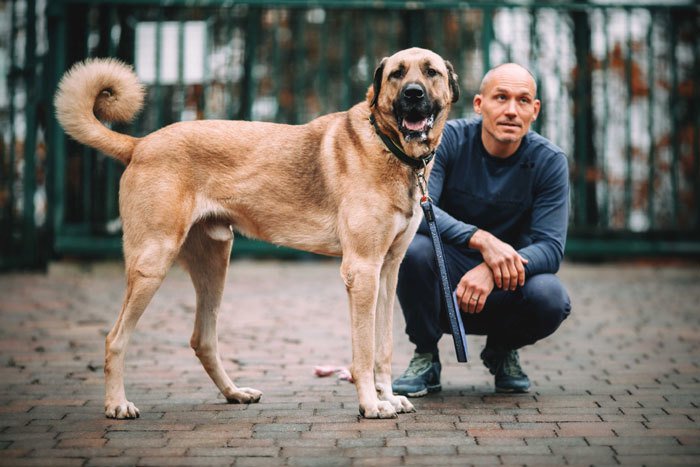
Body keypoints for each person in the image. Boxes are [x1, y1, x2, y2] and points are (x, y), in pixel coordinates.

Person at [392, 63, 572, 396]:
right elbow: (422, 206)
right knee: (412, 251)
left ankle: (502, 349)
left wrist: (490, 269)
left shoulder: (549, 161)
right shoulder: (446, 141)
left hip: (507, 283)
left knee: (551, 296)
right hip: (445, 283)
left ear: (535, 110)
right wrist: (481, 240)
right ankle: (426, 355)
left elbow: (550, 248)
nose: (511, 111)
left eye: (522, 101)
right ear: (479, 104)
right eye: (501, 98)